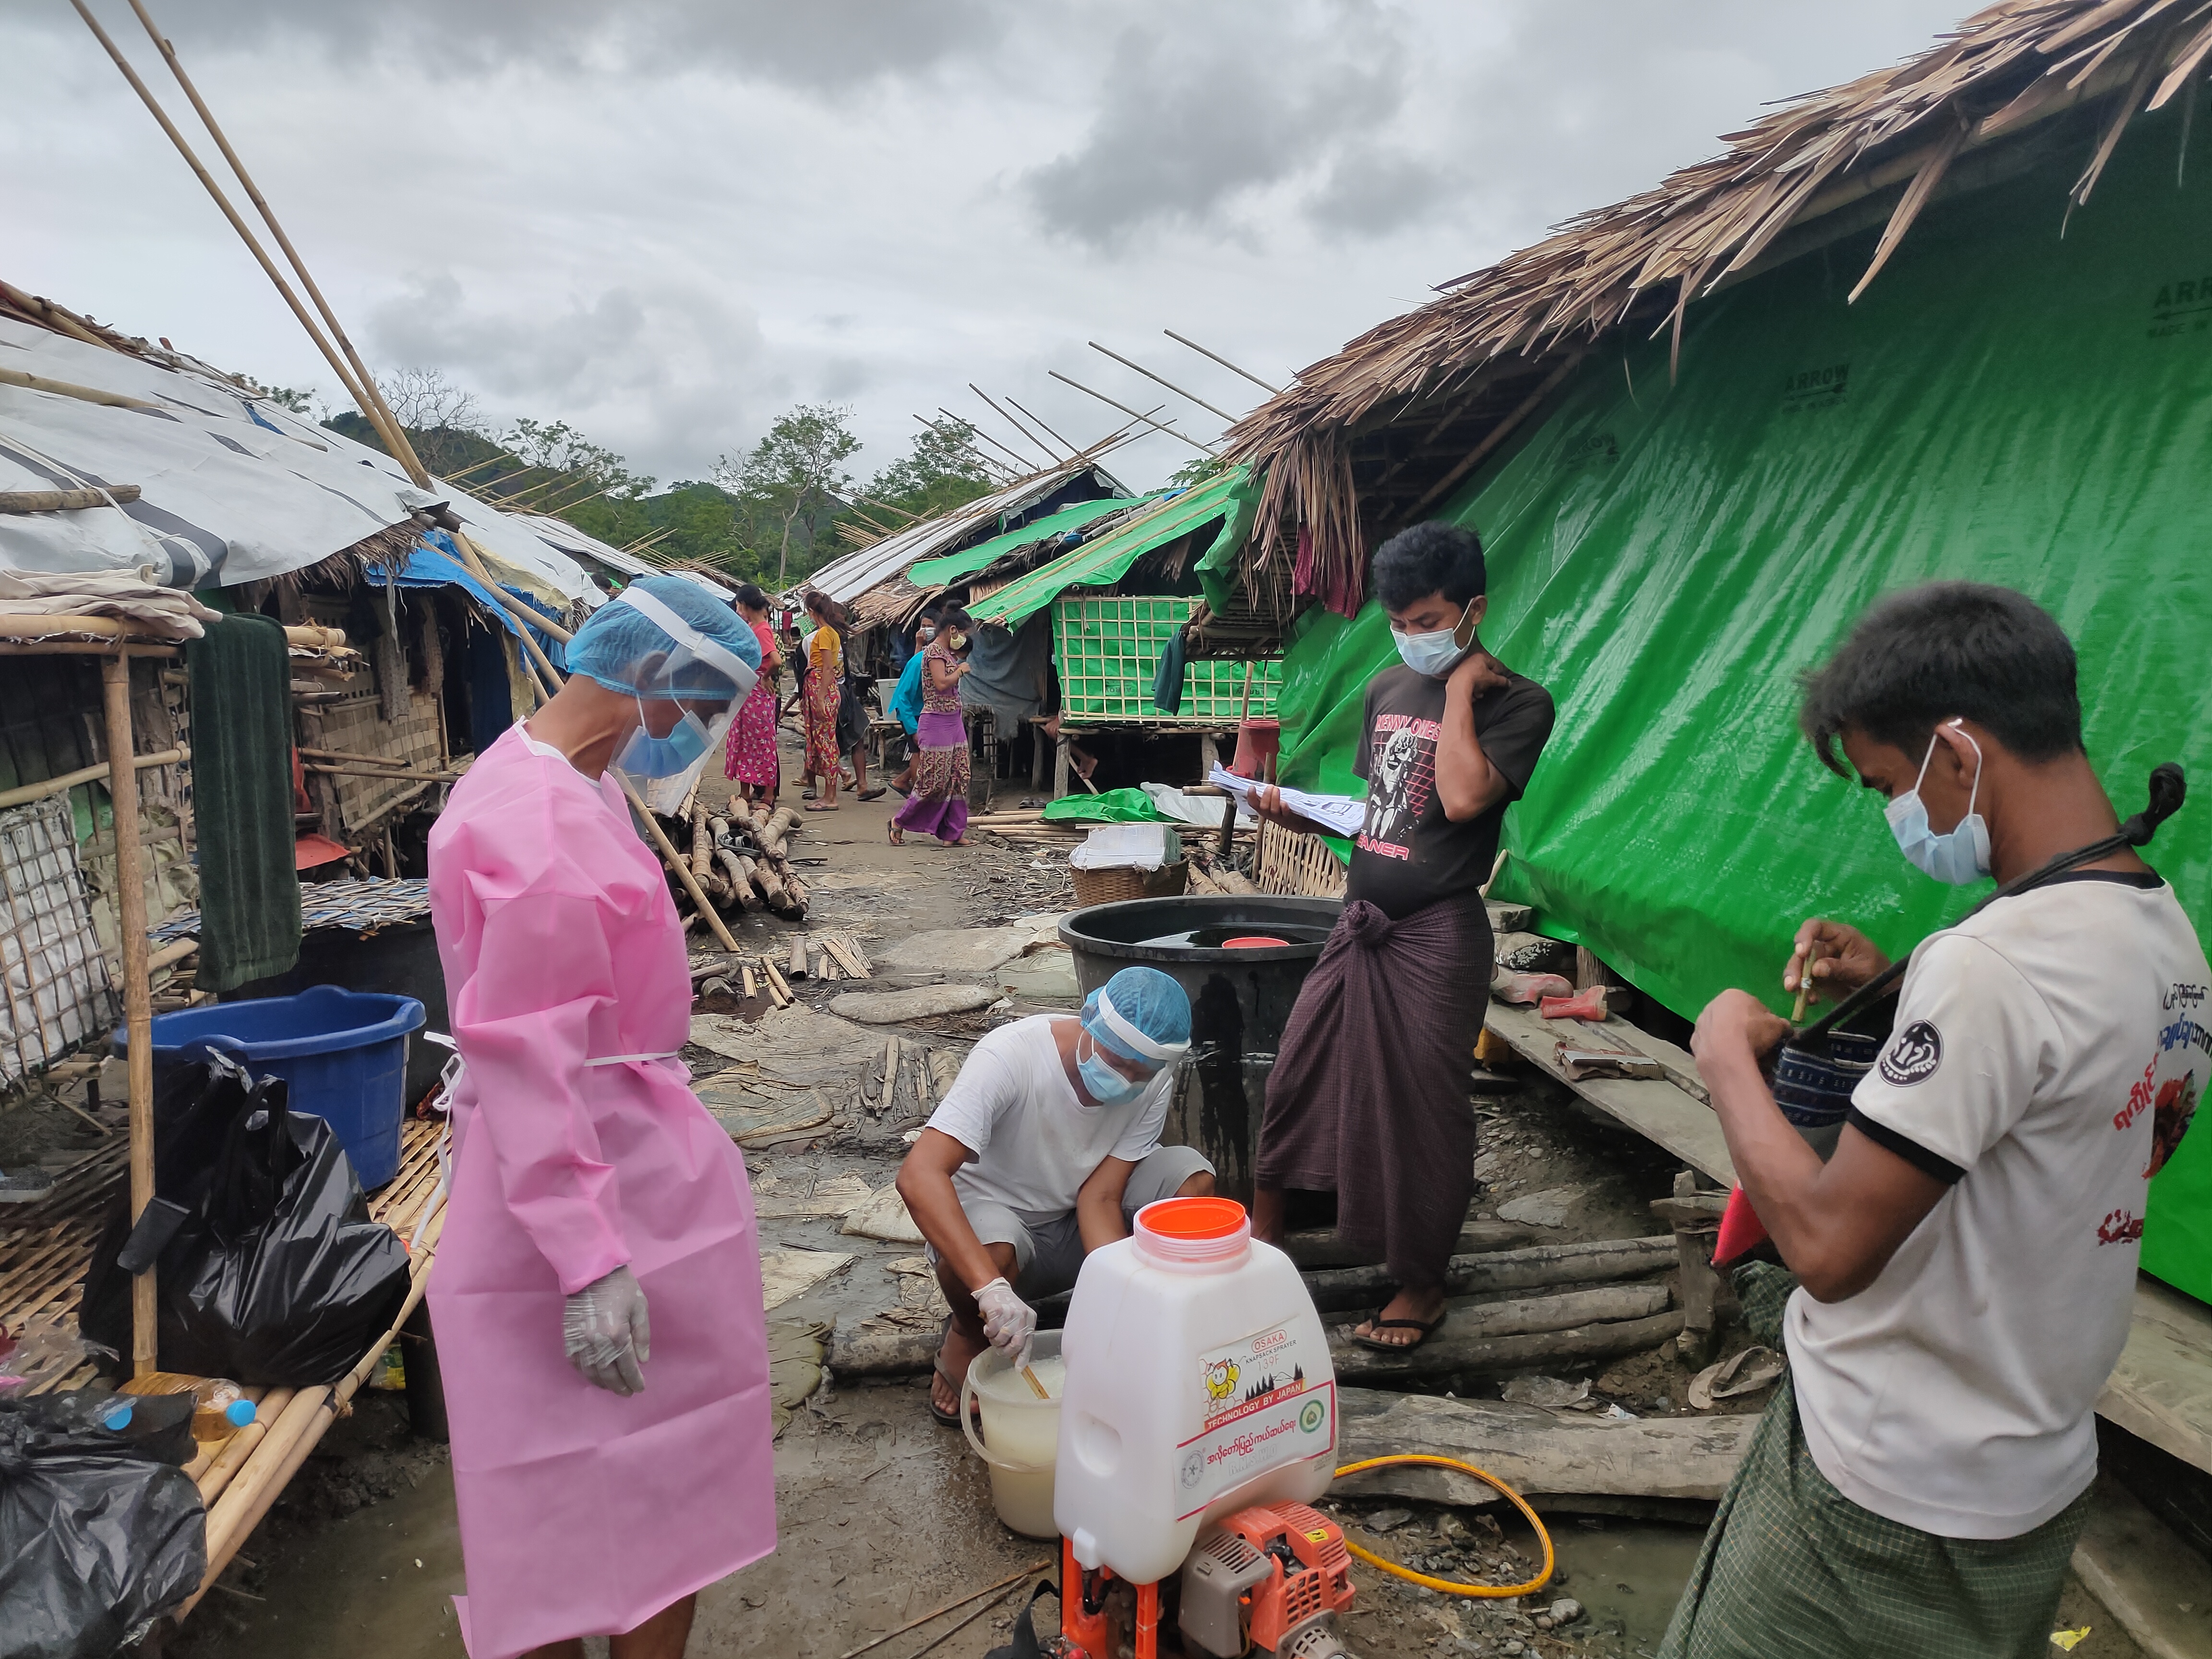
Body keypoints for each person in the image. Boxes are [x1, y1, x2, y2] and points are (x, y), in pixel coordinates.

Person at [1660, 583, 2208, 1659]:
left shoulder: (1993, 966)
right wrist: (1899, 985)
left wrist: (1725, 1051)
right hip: (2031, 1475)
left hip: (1881, 1495)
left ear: (1957, 753)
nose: (1893, 815)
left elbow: (1827, 1248)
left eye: (1884, 785)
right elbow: (2064, 1130)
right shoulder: (2161, 930)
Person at [425, 576, 775, 1659]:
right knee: (556, 1502)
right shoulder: (536, 822)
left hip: (620, 1155)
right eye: (701, 707)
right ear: (653, 678)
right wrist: (585, 1259)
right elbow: (531, 1053)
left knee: (653, 1477)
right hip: (580, 1178)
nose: (697, 734)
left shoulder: (563, 779)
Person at [1247, 521, 1554, 1350]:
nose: (1410, 637)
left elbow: (1457, 802)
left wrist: (1458, 692)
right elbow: (1379, 819)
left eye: (1426, 620)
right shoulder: (1385, 688)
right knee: (1297, 1081)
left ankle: (1419, 1284)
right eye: (1399, 622)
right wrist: (1294, 810)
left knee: (1422, 1112)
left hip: (1436, 937)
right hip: (1360, 925)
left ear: (1472, 609)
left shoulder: (1519, 702)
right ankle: (1256, 1250)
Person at [896, 966, 1212, 1425]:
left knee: (1190, 1179)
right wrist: (991, 1291)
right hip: (995, 1240)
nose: (1125, 1081)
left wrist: (1117, 1297)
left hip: (1074, 1222)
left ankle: (1146, 1313)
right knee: (995, 1248)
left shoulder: (1155, 1079)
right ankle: (967, 1329)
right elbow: (919, 1174)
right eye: (1117, 1061)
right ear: (1090, 1021)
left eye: (1140, 1073)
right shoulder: (1011, 1057)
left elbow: (1101, 1197)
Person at [888, 608, 976, 847]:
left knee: (959, 776)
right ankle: (899, 820)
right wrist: (960, 671)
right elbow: (940, 684)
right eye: (964, 633)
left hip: (953, 720)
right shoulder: (935, 652)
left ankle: (954, 832)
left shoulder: (947, 652)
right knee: (933, 779)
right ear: (953, 630)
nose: (964, 639)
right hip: (936, 721)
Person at [722, 582, 783, 807]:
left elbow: (775, 661)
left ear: (745, 605)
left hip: (757, 694)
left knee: (762, 743)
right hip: (749, 695)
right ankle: (745, 792)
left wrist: (765, 677)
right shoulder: (753, 628)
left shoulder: (762, 629)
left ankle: (768, 795)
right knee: (745, 742)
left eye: (739, 605)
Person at [888, 603, 946, 794]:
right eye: (923, 626)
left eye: (929, 626)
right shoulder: (921, 659)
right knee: (918, 753)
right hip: (911, 712)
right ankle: (918, 795)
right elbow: (905, 694)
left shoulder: (934, 656)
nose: (925, 630)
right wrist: (912, 727)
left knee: (925, 753)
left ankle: (903, 782)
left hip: (923, 711)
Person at [800, 590, 847, 811]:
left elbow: (828, 668)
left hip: (823, 689)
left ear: (811, 612)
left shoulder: (824, 634)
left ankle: (830, 797)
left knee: (826, 744)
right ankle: (829, 795)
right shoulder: (829, 633)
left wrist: (819, 697)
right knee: (824, 742)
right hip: (820, 688)